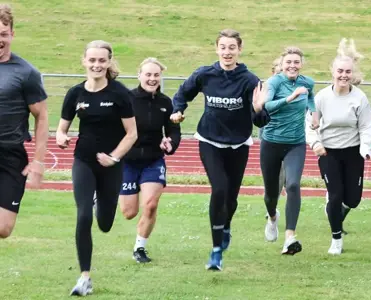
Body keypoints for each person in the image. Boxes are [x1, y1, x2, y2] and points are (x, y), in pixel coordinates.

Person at [170, 29, 270, 271]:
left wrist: (258, 108)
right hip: (209, 140)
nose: (227, 52)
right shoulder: (205, 74)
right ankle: (216, 252)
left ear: (239, 50)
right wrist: (178, 109)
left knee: (232, 199)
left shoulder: (250, 80)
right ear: (217, 49)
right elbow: (182, 94)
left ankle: (225, 227)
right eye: (223, 47)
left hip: (238, 144)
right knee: (220, 189)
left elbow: (261, 122)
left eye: (232, 47)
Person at [56, 40, 137, 296]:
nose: (97, 65)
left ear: (109, 62)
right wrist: (61, 137)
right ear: (84, 61)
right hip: (84, 161)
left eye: (102, 60)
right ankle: (85, 277)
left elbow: (132, 134)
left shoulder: (120, 94)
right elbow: (61, 128)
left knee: (104, 223)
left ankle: (97, 202)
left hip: (111, 165)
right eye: (92, 60)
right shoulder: (75, 94)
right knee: (83, 216)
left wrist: (114, 157)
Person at [305, 38, 371, 255]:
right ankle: (336, 239)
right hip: (328, 152)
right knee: (335, 195)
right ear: (332, 72)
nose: (344, 75)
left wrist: (365, 148)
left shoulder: (359, 98)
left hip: (353, 151)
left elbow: (365, 126)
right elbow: (310, 124)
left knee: (353, 199)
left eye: (348, 72)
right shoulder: (322, 97)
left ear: (353, 73)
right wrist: (315, 142)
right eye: (340, 71)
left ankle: (336, 210)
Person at [118, 57, 181, 263]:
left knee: (151, 204)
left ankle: (140, 248)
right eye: (148, 74)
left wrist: (170, 143)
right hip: (127, 161)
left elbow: (173, 130)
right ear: (139, 75)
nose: (152, 79)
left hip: (153, 160)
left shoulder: (165, 103)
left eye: (156, 75)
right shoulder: (127, 99)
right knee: (129, 212)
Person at [261, 46, 317, 255]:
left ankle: (290, 237)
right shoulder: (275, 82)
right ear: (282, 64)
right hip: (271, 143)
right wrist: (290, 98)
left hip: (296, 143)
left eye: (296, 62)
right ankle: (272, 218)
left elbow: (311, 97)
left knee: (293, 185)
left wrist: (314, 113)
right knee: (271, 194)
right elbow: (266, 106)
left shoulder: (307, 82)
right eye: (288, 62)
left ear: (301, 64)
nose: (292, 66)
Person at [0, 4, 49, 239]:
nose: (0, 39)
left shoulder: (26, 72)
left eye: (3, 33)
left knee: (3, 228)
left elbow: (41, 117)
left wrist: (39, 162)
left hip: (10, 155)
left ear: (12, 34)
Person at [259, 57, 286, 197]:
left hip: (291, 137)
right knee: (274, 174)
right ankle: (272, 207)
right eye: (279, 72)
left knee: (289, 178)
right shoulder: (265, 88)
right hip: (269, 135)